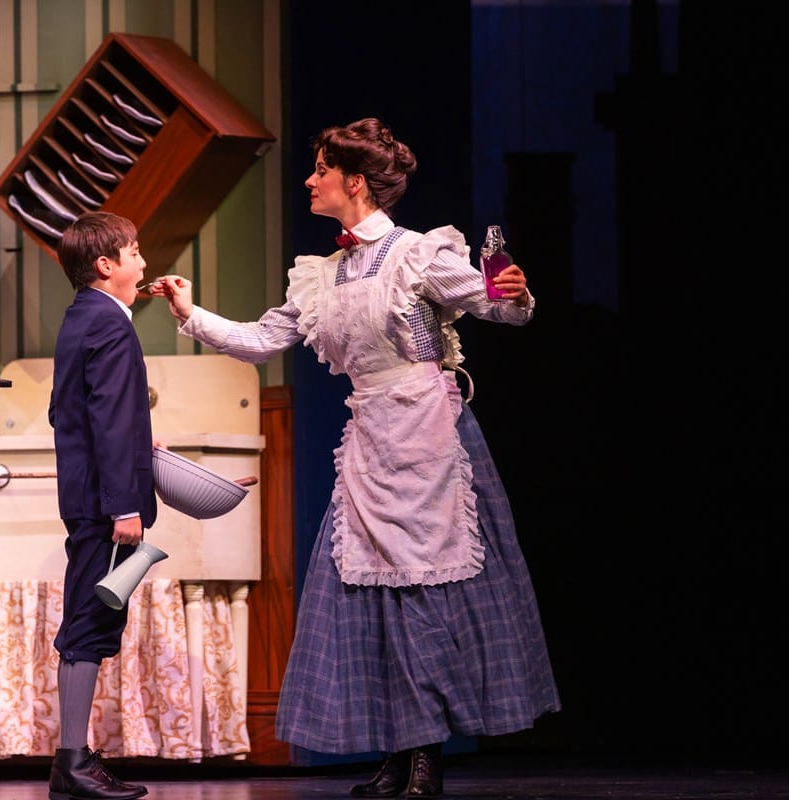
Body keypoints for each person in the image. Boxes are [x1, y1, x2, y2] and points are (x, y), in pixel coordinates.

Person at [150, 118, 560, 798]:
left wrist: (514, 295)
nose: (309, 180)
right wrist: (192, 314)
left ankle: (427, 754)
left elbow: (497, 309)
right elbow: (261, 337)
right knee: (368, 598)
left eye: (319, 170)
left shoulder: (419, 255)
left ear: (355, 183)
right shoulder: (325, 274)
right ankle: (398, 754)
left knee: (425, 594)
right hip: (369, 439)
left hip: (429, 436)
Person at [46, 211, 156, 800]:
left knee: (88, 621)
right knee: (88, 625)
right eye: (134, 252)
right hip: (103, 505)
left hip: (89, 496)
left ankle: (75, 760)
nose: (142, 262)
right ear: (106, 265)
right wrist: (124, 505)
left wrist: (141, 437)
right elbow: (106, 419)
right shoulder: (109, 325)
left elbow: (71, 411)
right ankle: (72, 763)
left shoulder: (82, 318)